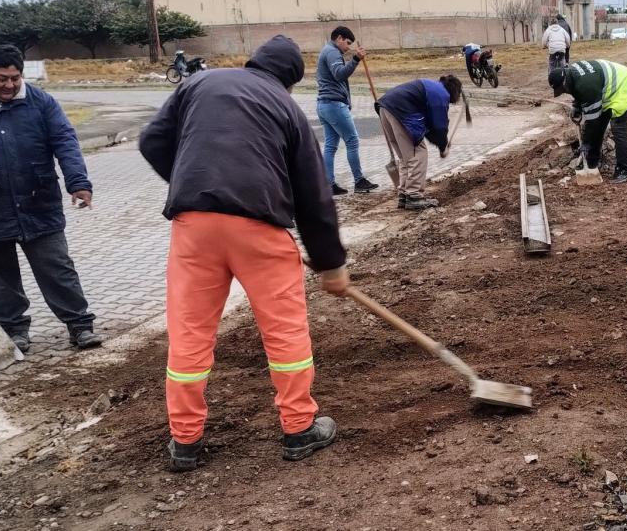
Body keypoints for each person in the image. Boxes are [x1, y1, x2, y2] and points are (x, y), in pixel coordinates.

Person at [139, 35, 349, 470]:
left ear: (253, 62)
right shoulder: (287, 109)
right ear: (290, 82)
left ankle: (185, 441)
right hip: (259, 231)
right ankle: (298, 428)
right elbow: (315, 197)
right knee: (284, 330)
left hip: (193, 227)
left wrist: (194, 185)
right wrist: (331, 264)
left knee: (190, 333)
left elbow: (151, 141)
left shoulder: (199, 83)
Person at [0, 45, 102, 354]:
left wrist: (78, 182)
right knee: (0, 278)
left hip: (38, 202)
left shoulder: (40, 103)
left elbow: (65, 141)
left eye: (16, 78)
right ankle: (14, 331)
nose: (11, 85)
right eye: (3, 79)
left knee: (57, 267)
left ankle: (80, 325)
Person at [376, 75, 462, 210]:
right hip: (400, 111)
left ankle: (404, 194)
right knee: (419, 154)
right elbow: (439, 126)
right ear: (454, 91)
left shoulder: (432, 87)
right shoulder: (441, 94)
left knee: (406, 157)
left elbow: (428, 126)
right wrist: (442, 145)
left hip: (385, 108)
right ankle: (414, 196)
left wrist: (441, 144)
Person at [549, 60, 627, 184]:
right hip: (606, 88)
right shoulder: (572, 74)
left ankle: (624, 170)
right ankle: (593, 162)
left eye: (563, 90)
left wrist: (586, 143)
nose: (564, 92)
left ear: (565, 82)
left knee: (618, 127)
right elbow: (579, 91)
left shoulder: (586, 86)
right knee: (599, 122)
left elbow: (593, 121)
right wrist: (577, 106)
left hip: (624, 85)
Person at [317, 26, 378, 195]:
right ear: (339, 38)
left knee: (330, 146)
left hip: (324, 105)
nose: (348, 47)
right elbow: (339, 74)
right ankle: (359, 181)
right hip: (334, 105)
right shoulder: (332, 52)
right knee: (352, 141)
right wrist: (356, 59)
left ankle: (329, 185)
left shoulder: (327, 50)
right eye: (347, 43)